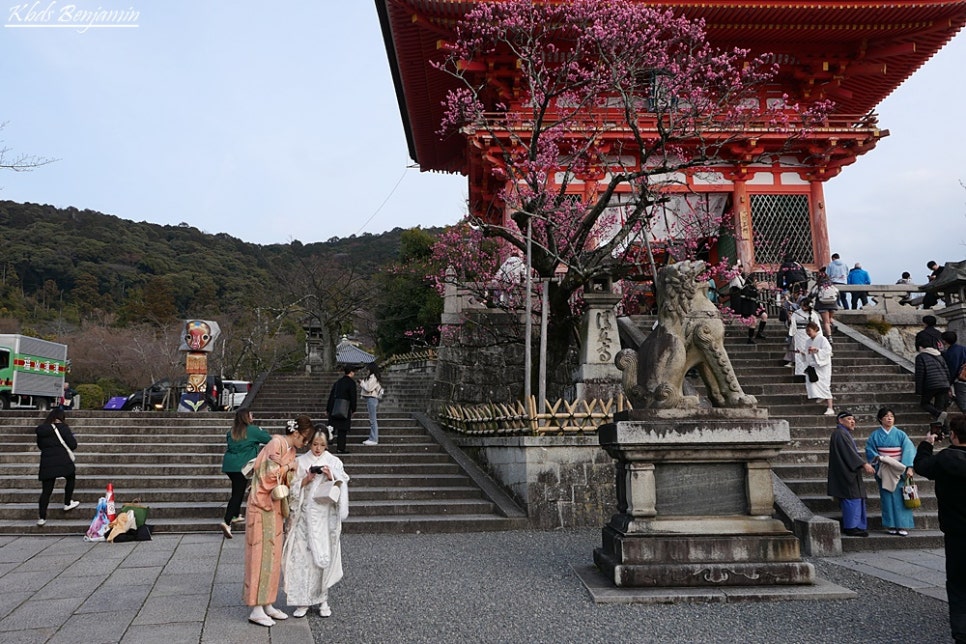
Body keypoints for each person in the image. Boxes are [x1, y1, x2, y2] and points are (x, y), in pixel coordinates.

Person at [243, 414, 314, 627]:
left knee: (273, 556)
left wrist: (293, 473)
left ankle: (267, 603)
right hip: (261, 505)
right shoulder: (276, 444)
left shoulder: (289, 451)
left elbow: (287, 478)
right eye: (305, 438)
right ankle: (255, 607)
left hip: (274, 507)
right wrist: (287, 469)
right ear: (295, 432)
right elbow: (265, 474)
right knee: (259, 555)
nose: (305, 444)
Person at [282, 429, 349, 618]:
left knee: (322, 558)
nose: (318, 449)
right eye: (314, 444)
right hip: (303, 518)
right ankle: (303, 600)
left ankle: (323, 600)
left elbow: (342, 488)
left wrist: (331, 477)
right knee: (302, 558)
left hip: (324, 518)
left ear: (327, 445)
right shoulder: (301, 461)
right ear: (309, 443)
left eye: (322, 445)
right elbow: (292, 489)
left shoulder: (334, 462)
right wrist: (306, 480)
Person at [914, 416, 966, 643]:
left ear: (953, 435)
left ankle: (962, 633)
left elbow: (921, 466)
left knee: (958, 585)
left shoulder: (945, 459)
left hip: (956, 532)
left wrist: (927, 443)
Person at [220, 409, 271, 538]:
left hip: (230, 465)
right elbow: (269, 439)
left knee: (236, 489)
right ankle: (227, 521)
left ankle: (236, 515)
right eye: (250, 414)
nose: (252, 416)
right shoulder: (253, 430)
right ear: (246, 417)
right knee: (238, 494)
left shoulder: (231, 432)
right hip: (242, 466)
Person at [865, 407, 916, 536]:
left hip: (899, 468)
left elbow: (909, 449)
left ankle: (903, 525)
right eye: (886, 416)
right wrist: (881, 459)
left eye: (892, 416)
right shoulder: (875, 435)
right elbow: (870, 450)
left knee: (901, 496)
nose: (889, 418)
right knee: (887, 497)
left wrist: (909, 467)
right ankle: (891, 524)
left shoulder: (900, 434)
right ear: (880, 419)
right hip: (884, 468)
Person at [827, 411, 876, 537]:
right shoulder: (840, 434)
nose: (852, 421)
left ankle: (857, 526)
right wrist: (863, 464)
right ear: (840, 420)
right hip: (846, 472)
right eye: (849, 419)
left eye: (853, 419)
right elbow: (849, 453)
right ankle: (851, 526)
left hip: (849, 470)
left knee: (856, 497)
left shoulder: (843, 433)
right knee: (851, 498)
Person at [35, 408, 81, 526]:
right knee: (71, 477)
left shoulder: (42, 430)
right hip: (63, 460)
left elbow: (40, 446)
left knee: (46, 491)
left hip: (47, 462)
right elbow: (73, 445)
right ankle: (67, 502)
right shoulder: (63, 428)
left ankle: (42, 517)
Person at [916, 334, 951, 426]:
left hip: (931, 385)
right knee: (940, 408)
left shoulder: (921, 357)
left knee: (925, 403)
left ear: (920, 347)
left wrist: (919, 390)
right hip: (944, 384)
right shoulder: (939, 356)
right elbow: (947, 370)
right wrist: (949, 385)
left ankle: (938, 414)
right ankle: (945, 430)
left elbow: (920, 374)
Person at [728, 263, 767, 344]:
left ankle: (759, 333)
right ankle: (750, 338)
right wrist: (757, 292)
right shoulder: (746, 286)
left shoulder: (748, 284)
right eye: (755, 280)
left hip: (755, 305)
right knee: (753, 321)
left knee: (764, 316)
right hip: (748, 306)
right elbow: (748, 293)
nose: (756, 282)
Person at [802, 321, 835, 415]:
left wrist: (816, 350)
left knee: (824, 385)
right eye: (807, 331)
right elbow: (807, 353)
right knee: (812, 382)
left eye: (809, 331)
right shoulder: (808, 341)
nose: (808, 333)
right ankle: (820, 396)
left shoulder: (822, 339)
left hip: (822, 365)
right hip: (813, 365)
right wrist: (802, 353)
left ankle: (830, 407)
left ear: (815, 330)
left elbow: (828, 351)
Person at [326, 365, 358, 454]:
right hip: (345, 407)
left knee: (331, 427)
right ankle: (340, 448)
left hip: (334, 406)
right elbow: (353, 396)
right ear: (351, 372)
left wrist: (328, 408)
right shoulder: (351, 383)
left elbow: (332, 395)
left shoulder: (338, 382)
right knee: (342, 430)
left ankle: (327, 443)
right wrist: (353, 408)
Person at [788, 296, 821, 377]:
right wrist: (791, 334)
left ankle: (811, 370)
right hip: (799, 334)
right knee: (800, 352)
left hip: (811, 335)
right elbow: (793, 324)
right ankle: (800, 372)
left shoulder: (813, 314)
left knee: (810, 353)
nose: (802, 307)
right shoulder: (796, 313)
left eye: (804, 305)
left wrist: (818, 336)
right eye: (801, 305)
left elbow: (817, 326)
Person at [810, 267, 838, 340]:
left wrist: (809, 299)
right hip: (832, 304)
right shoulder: (831, 284)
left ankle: (829, 336)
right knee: (830, 318)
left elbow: (813, 293)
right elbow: (837, 293)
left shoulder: (819, 285)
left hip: (822, 304)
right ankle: (833, 324)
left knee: (826, 322)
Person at [359, 362, 384, 446]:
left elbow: (369, 388)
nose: (367, 371)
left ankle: (374, 439)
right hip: (371, 399)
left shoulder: (373, 377)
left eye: (368, 369)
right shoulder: (373, 377)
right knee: (372, 420)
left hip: (372, 399)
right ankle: (372, 438)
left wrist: (362, 383)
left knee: (373, 420)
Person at [943, 331, 966, 414]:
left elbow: (953, 369)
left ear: (944, 341)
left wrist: (948, 383)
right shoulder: (963, 348)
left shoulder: (950, 353)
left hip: (960, 380)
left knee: (963, 404)